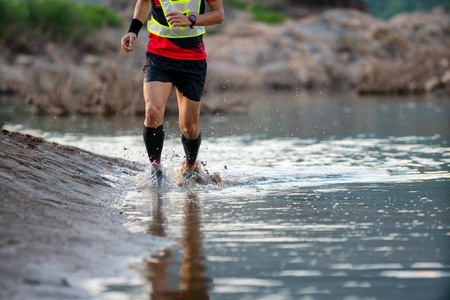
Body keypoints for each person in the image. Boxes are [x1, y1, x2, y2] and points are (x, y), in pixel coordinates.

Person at [121, 0, 224, 185]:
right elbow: (144, 3)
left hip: (192, 60)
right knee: (152, 110)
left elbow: (219, 15)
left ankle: (190, 167)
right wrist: (132, 30)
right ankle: (156, 169)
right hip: (158, 57)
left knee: (189, 127)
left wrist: (191, 19)